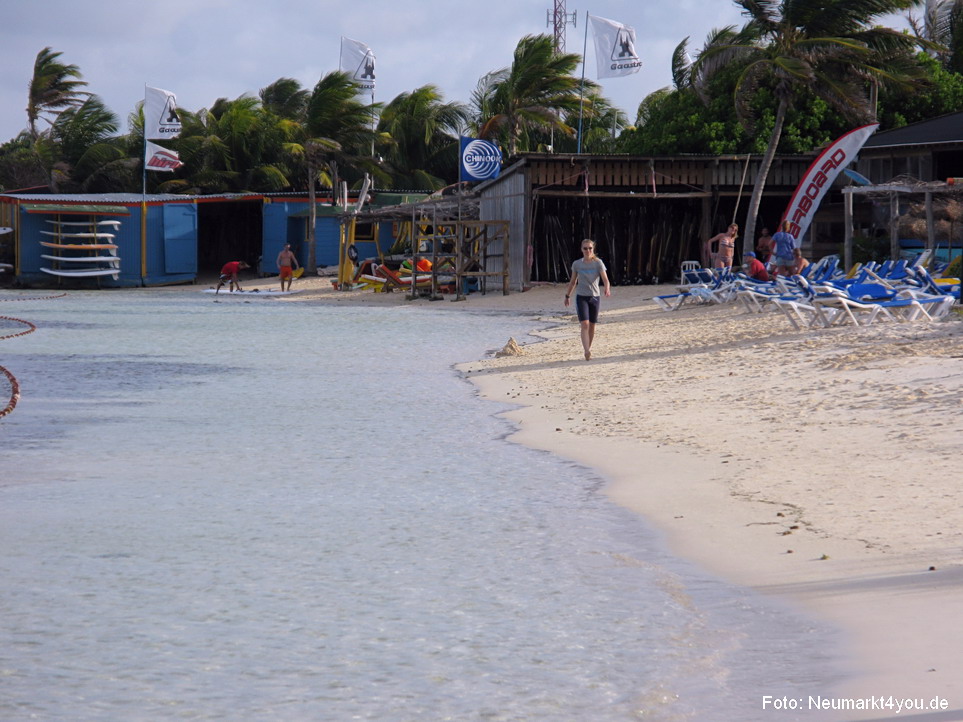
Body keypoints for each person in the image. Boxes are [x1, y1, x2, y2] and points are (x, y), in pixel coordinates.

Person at [563, 238, 611, 361]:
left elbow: (605, 279)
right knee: (585, 324)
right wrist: (567, 296)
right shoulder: (577, 264)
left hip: (595, 297)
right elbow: (573, 281)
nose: (588, 250)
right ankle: (586, 350)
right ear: (581, 249)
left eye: (590, 248)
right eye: (585, 248)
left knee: (592, 325)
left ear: (593, 249)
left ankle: (587, 349)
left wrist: (607, 288)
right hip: (581, 297)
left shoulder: (598, 263)